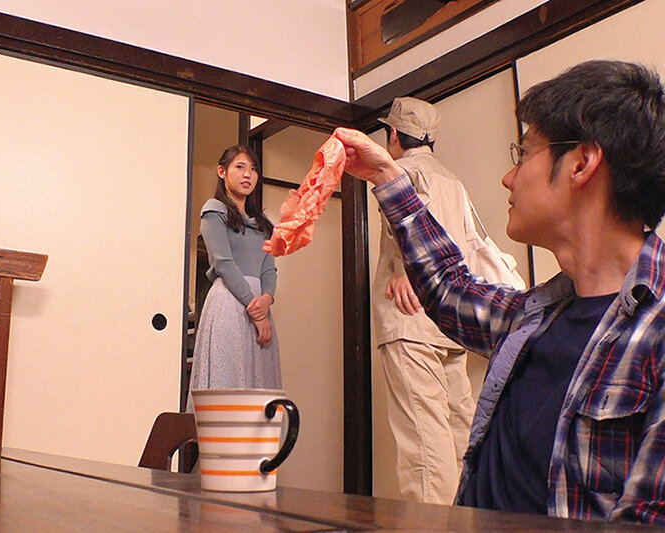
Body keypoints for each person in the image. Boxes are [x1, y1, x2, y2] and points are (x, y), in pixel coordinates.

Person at [336, 59, 665, 525]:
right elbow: (451, 289)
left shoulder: (655, 335)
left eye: (523, 153)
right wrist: (388, 179)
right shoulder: (540, 312)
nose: (508, 177)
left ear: (582, 163)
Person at [372, 96, 519, 504]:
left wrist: (402, 270)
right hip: (451, 322)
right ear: (431, 139)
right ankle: (469, 518)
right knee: (459, 429)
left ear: (394, 135)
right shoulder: (452, 181)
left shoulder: (402, 172)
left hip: (409, 319)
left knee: (422, 439)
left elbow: (404, 223)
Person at [187, 145, 281, 411]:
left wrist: (267, 299)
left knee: (259, 387)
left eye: (253, 169)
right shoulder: (214, 210)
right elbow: (223, 264)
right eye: (240, 167)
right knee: (227, 379)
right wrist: (256, 309)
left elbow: (269, 269)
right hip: (230, 302)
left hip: (259, 306)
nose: (248, 174)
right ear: (222, 172)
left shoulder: (263, 223)